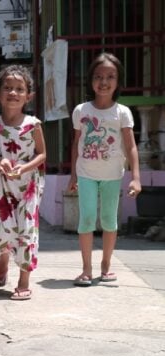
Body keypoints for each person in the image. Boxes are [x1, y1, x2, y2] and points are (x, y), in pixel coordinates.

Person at [68, 52, 141, 286]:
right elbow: (76, 145)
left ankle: (106, 266)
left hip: (112, 175)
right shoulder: (81, 111)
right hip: (86, 173)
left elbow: (131, 147)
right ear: (91, 81)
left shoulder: (122, 113)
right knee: (87, 219)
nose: (104, 81)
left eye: (110, 76)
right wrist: (72, 175)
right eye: (98, 76)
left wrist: (135, 178)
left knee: (109, 221)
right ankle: (86, 270)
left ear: (118, 81)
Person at [0, 65, 47, 300]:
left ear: (28, 96)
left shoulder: (33, 125)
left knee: (26, 231)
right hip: (0, 189)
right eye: (7, 88)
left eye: (19, 89)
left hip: (28, 188)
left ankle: (23, 281)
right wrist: (0, 162)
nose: (13, 92)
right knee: (2, 229)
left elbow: (42, 154)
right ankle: (2, 262)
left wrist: (25, 167)